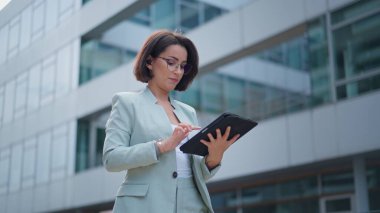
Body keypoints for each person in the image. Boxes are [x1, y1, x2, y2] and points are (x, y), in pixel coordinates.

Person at [103, 30, 240, 213]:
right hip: (146, 205)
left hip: (191, 205)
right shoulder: (127, 103)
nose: (178, 71)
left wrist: (215, 156)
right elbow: (111, 159)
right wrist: (161, 146)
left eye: (183, 66)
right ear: (150, 62)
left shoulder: (187, 111)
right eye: (171, 63)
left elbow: (193, 173)